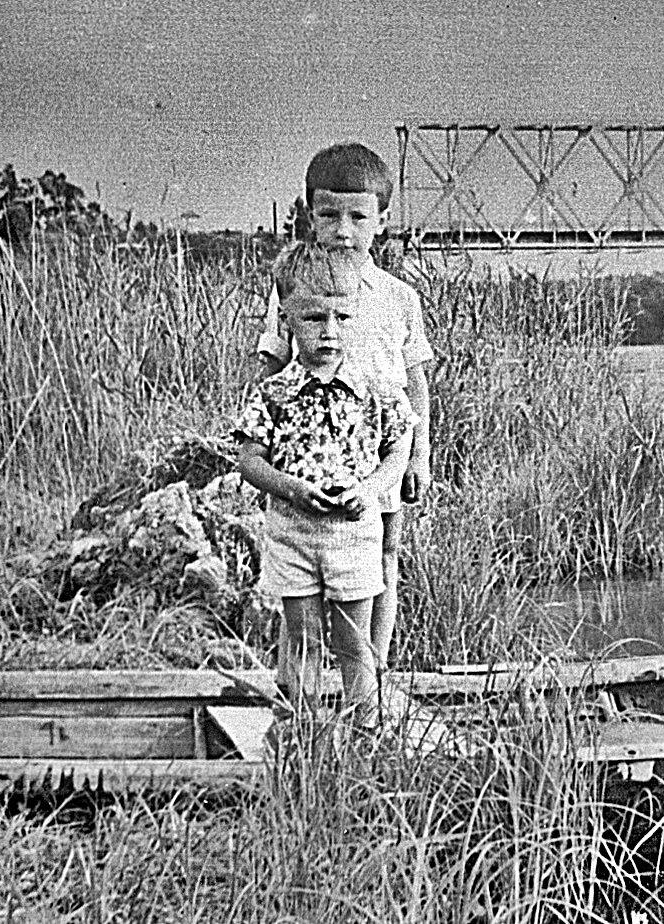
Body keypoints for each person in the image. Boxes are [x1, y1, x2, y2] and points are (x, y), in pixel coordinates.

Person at [257, 141, 433, 680]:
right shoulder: (295, 289)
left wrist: (419, 455)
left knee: (384, 557)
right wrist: (268, 448)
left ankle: (372, 674)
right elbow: (271, 367)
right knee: (301, 576)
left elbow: (415, 381)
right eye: (329, 215)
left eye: (358, 217)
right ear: (310, 216)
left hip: (379, 451)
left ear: (382, 220)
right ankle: (299, 685)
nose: (343, 230)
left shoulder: (397, 296)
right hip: (311, 457)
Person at [237, 241, 415, 719]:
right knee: (303, 640)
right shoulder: (274, 393)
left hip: (354, 535)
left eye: (343, 318)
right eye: (315, 318)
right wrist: (291, 488)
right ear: (287, 319)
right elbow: (249, 460)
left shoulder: (376, 389)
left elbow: (398, 449)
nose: (330, 331)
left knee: (354, 643)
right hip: (293, 535)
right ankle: (303, 734)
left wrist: (370, 489)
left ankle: (367, 729)